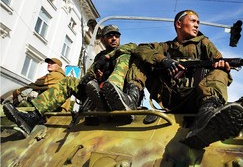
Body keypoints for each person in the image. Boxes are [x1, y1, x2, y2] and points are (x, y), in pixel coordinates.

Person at [99, 9, 243, 148]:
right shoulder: (166, 47)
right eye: (193, 21)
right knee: (141, 60)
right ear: (179, 24)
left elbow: (219, 65)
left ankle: (206, 116)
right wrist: (164, 61)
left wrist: (223, 67)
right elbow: (141, 48)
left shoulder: (204, 43)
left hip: (196, 97)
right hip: (170, 96)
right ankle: (131, 98)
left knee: (220, 71)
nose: (196, 25)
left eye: (198, 23)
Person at [3, 24, 141, 136]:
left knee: (124, 57)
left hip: (119, 97)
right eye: (110, 36)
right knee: (69, 81)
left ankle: (114, 88)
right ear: (103, 40)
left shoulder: (125, 49)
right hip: (98, 94)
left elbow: (133, 47)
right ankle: (33, 116)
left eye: (116, 36)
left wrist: (108, 58)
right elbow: (89, 77)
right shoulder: (99, 56)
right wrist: (94, 76)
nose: (114, 39)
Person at [4, 57, 70, 112]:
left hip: (54, 106)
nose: (49, 64)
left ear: (58, 66)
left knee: (29, 93)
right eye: (48, 63)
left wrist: (15, 93)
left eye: (52, 63)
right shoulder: (61, 76)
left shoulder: (56, 75)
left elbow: (37, 84)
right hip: (58, 105)